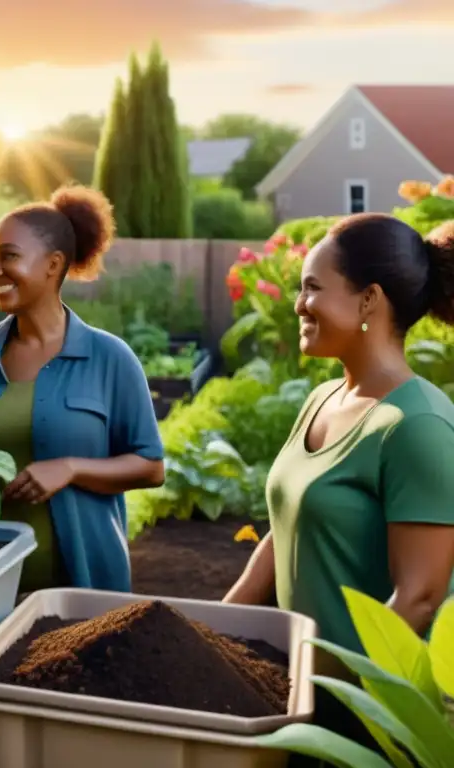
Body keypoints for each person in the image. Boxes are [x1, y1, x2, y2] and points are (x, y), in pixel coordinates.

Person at [223, 215, 454, 756]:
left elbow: (418, 600)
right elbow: (286, 531)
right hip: (298, 699)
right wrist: (217, 630)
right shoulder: (324, 399)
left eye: (312, 288)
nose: (299, 304)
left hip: (370, 721)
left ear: (369, 300)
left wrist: (330, 693)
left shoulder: (416, 427)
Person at [0, 185, 165, 594]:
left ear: (54, 264)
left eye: (9, 257)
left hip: (84, 590)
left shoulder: (109, 358)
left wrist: (70, 468)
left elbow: (150, 467)